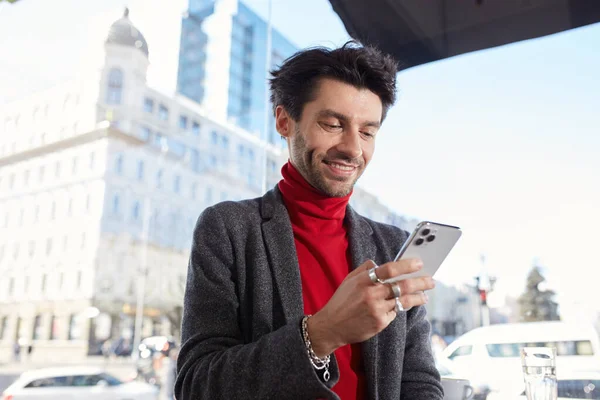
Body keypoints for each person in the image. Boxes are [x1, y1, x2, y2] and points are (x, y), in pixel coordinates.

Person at [175, 41, 443, 400]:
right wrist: (322, 333)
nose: (353, 148)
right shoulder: (229, 229)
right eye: (333, 124)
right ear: (285, 121)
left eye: (367, 132)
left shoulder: (392, 247)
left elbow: (419, 383)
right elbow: (197, 385)